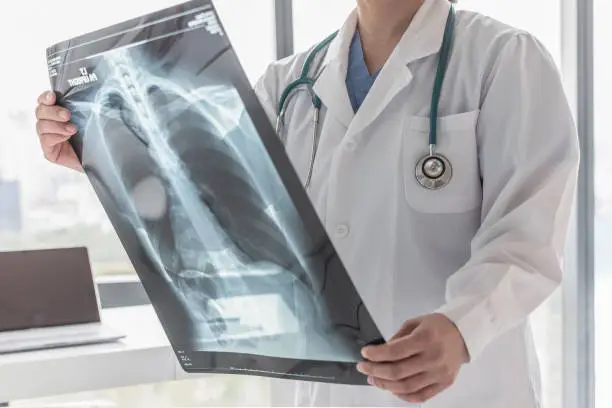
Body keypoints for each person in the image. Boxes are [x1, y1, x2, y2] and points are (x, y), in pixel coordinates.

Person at [34, 0, 579, 406]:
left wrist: (462, 329)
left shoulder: (504, 60)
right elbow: (208, 208)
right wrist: (97, 156)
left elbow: (527, 238)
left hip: (468, 390)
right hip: (330, 395)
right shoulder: (287, 84)